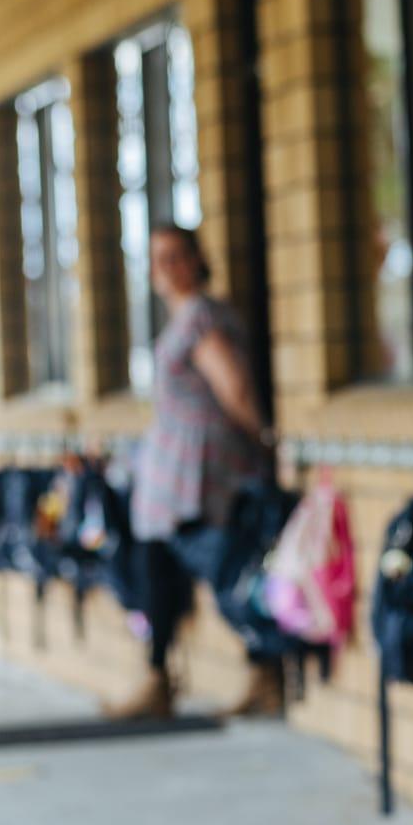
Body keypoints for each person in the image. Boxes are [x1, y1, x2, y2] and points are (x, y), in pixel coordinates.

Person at [110, 224, 275, 719]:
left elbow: (236, 388)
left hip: (202, 476)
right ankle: (159, 676)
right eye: (158, 259)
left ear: (198, 259)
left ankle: (261, 662)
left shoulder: (201, 317)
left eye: (177, 256)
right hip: (170, 481)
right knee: (156, 563)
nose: (167, 268)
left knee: (224, 565)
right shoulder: (185, 317)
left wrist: (263, 439)